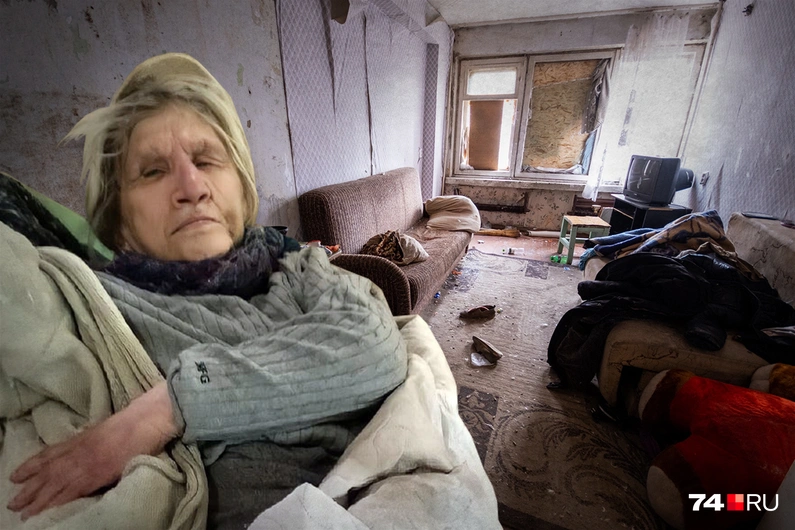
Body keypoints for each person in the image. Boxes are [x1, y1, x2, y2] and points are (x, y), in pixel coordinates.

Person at [3, 53, 408, 527]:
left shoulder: (299, 268)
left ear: (241, 189)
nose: (191, 187)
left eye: (206, 160)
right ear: (120, 221)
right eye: (153, 171)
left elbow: (376, 346)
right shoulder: (96, 304)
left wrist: (168, 407)